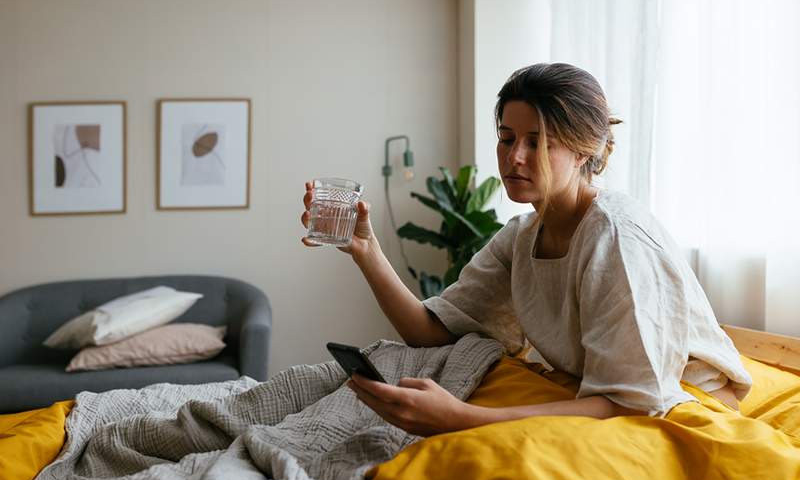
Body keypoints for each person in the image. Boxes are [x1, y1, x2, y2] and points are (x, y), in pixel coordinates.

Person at [300, 62, 752, 437]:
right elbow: (429, 330)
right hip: (602, 398)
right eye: (507, 137)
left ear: (583, 151)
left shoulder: (615, 239)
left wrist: (466, 421)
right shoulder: (523, 234)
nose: (515, 156)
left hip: (682, 409)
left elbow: (632, 403)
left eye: (539, 141)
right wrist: (366, 249)